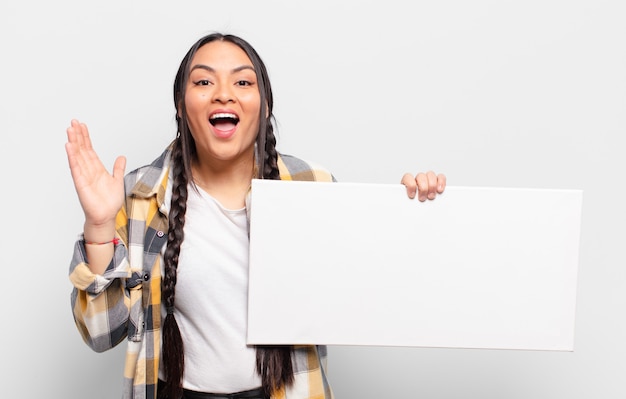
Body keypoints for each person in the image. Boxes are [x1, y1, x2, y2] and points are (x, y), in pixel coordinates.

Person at [65, 32, 446, 399]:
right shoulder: (140, 195)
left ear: (265, 105)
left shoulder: (312, 185)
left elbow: (373, 290)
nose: (224, 94)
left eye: (243, 82)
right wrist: (99, 225)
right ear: (181, 106)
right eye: (203, 82)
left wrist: (411, 210)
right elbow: (102, 333)